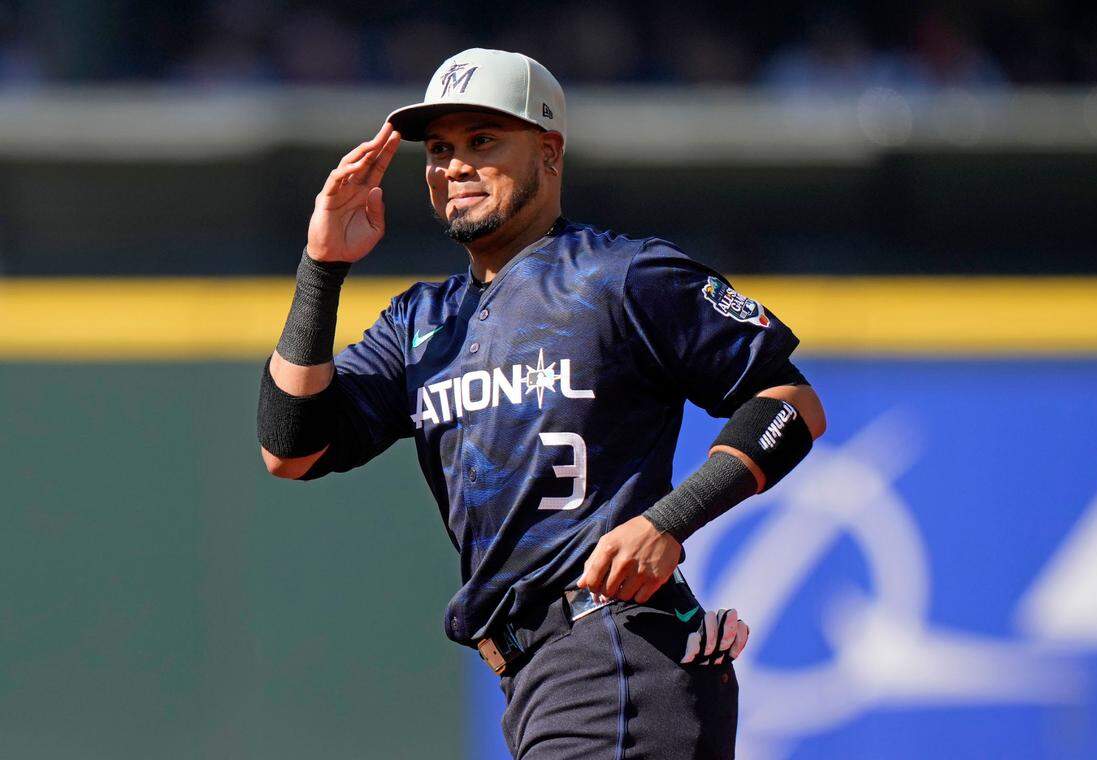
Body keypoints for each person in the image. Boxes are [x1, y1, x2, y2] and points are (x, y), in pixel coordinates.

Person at [257, 48, 826, 759]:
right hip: (538, 676)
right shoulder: (419, 323)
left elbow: (790, 402)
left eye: (482, 140)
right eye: (438, 149)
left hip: (614, 651)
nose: (453, 165)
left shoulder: (621, 275)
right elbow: (291, 446)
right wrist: (322, 267)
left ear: (548, 152)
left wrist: (670, 520)